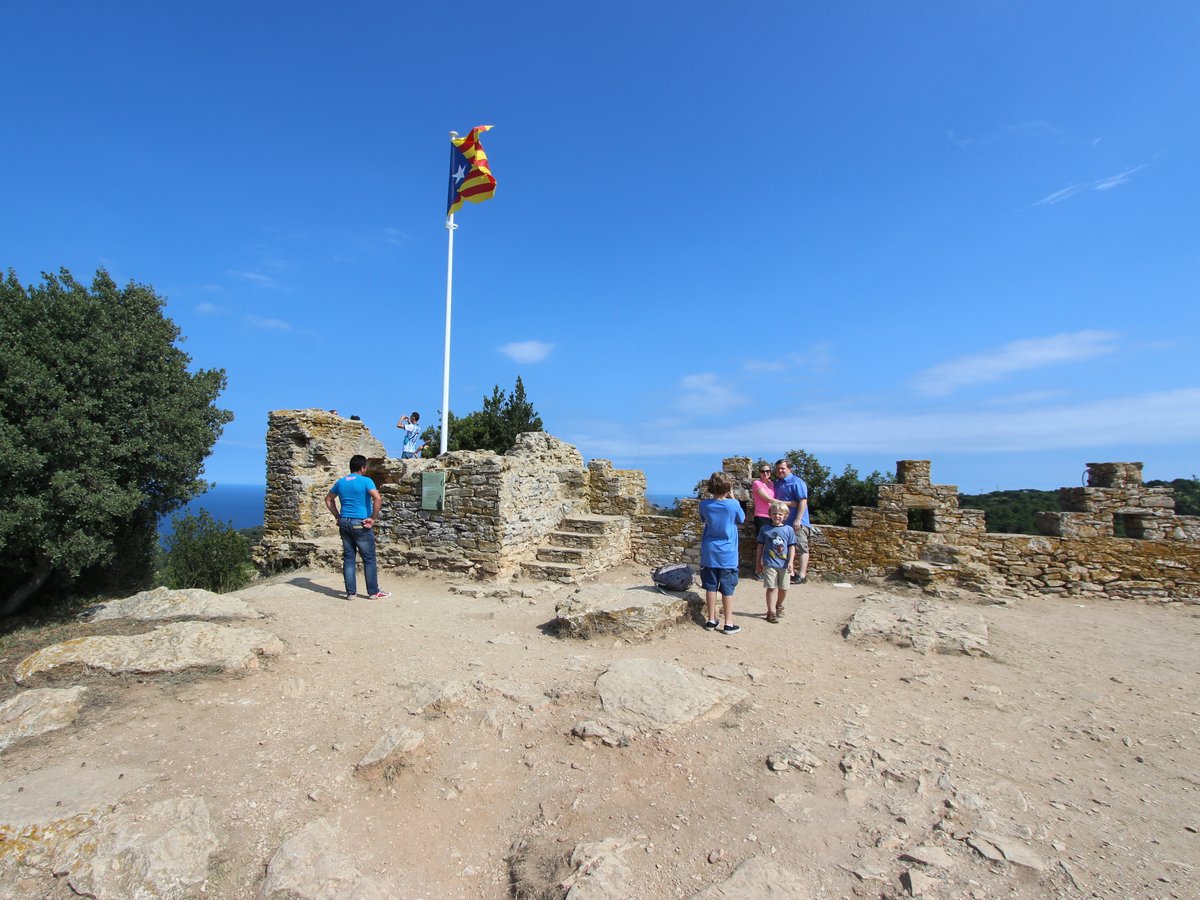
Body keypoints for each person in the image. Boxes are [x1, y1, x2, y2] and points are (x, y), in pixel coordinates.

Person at [324, 455, 391, 601]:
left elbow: (328, 499)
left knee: (349, 558)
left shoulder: (340, 482)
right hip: (360, 523)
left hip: (344, 522)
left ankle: (350, 593)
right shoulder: (366, 481)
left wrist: (338, 516)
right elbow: (377, 498)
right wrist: (372, 518)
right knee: (368, 558)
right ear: (362, 468)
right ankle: (373, 592)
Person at [698, 471, 745, 634]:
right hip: (728, 553)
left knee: (710, 587)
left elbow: (703, 519)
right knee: (727, 589)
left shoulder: (704, 505)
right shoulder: (733, 504)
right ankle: (728, 623)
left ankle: (711, 620)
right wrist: (732, 497)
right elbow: (742, 519)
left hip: (709, 551)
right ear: (728, 487)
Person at [756, 501, 797, 623]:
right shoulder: (765, 529)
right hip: (769, 563)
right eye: (774, 513)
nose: (777, 516)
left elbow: (791, 547)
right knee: (771, 588)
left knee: (783, 588)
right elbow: (760, 547)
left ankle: (778, 605)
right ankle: (771, 612)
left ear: (785, 515)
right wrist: (758, 563)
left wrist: (791, 562)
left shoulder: (789, 530)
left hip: (784, 564)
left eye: (780, 514)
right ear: (770, 514)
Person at [773, 459, 811, 584]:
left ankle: (802, 575)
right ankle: (791, 573)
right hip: (784, 522)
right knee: (786, 548)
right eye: (778, 468)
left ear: (790, 469)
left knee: (801, 547)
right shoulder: (777, 483)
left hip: (797, 521)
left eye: (782, 468)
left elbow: (803, 501)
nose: (780, 471)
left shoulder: (797, 482)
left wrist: (798, 519)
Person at [751, 463, 776, 535]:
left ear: (770, 472)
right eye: (762, 471)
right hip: (761, 516)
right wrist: (788, 503)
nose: (765, 473)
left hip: (772, 516)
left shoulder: (771, 483)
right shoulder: (757, 483)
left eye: (767, 471)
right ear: (759, 473)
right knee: (763, 541)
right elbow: (768, 499)